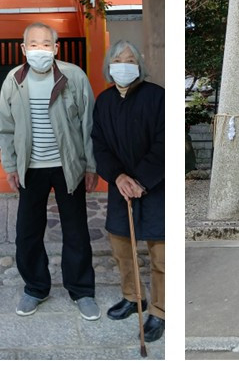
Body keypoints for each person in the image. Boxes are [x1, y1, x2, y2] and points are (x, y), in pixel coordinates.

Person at [0, 22, 99, 320]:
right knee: (27, 232)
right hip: (31, 167)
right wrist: (10, 165)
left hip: (68, 166)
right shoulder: (13, 80)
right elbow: (5, 127)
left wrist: (90, 165)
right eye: (33, 44)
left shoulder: (74, 76)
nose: (39, 49)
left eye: (45, 44)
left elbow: (89, 125)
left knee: (77, 230)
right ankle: (35, 288)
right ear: (23, 48)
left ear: (56, 48)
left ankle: (81, 290)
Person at [90, 40, 165, 343]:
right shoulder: (104, 101)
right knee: (122, 246)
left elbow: (164, 143)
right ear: (110, 65)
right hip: (120, 187)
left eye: (130, 59)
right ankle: (133, 296)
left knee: (161, 254)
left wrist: (142, 180)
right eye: (118, 59)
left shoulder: (157, 97)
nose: (124, 63)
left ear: (139, 65)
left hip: (156, 186)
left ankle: (160, 310)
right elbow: (100, 144)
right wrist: (118, 177)